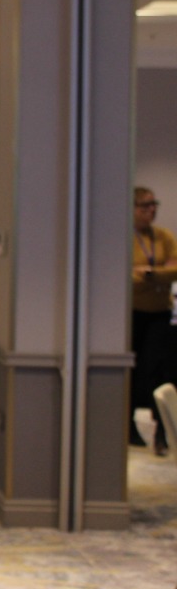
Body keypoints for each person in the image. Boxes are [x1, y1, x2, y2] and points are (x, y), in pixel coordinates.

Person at [131, 186, 177, 455]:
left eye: (154, 204)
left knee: (160, 371)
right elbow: (127, 278)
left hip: (160, 313)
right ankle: (130, 430)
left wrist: (149, 274)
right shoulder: (126, 238)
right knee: (136, 372)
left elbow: (174, 272)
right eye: (145, 205)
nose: (152, 210)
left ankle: (162, 433)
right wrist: (157, 275)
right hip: (134, 313)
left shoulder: (164, 237)